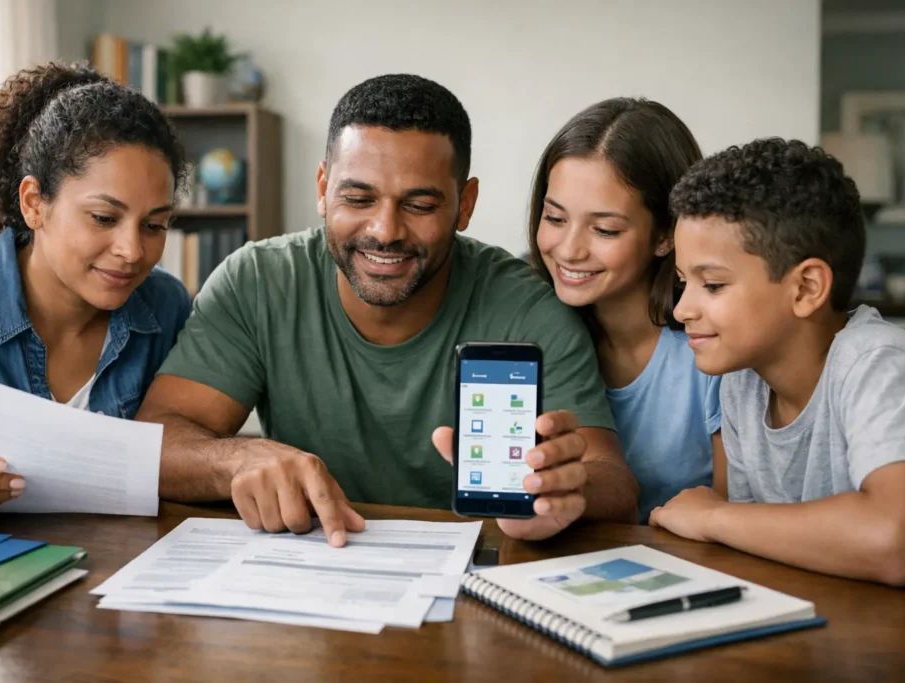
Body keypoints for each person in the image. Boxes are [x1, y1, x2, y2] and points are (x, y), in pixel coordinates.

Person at [138, 74, 639, 546]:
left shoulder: (527, 306)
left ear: (465, 204)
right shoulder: (257, 281)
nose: (385, 231)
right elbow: (154, 446)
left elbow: (613, 480)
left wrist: (563, 490)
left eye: (419, 205)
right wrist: (237, 459)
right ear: (322, 188)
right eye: (358, 197)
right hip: (315, 571)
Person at [0, 62, 192, 525]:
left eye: (155, 225)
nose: (132, 250)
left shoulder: (168, 308)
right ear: (34, 203)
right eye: (103, 217)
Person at [650, 138, 905, 587]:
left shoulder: (878, 363)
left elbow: (898, 541)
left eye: (713, 285)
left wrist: (716, 517)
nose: (682, 310)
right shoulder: (741, 382)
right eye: (683, 282)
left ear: (805, 288)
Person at [527, 98, 723, 522]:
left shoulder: (711, 349)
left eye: (605, 229)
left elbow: (739, 512)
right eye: (555, 218)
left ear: (666, 235)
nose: (569, 250)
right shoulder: (531, 325)